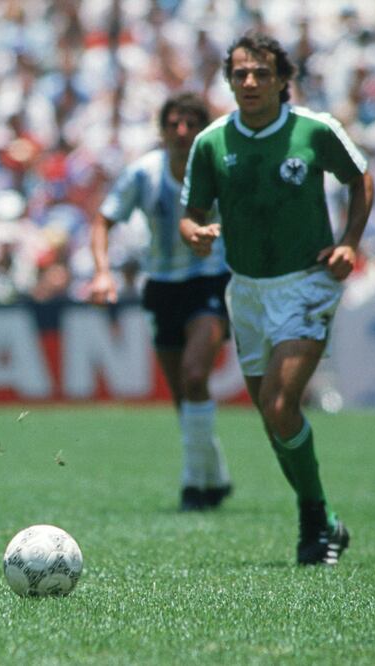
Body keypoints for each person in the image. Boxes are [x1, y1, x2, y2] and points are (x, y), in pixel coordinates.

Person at [179, 33, 374, 565]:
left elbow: (359, 180)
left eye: (260, 73)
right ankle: (326, 520)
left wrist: (349, 243)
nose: (249, 82)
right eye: (240, 73)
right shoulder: (212, 143)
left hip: (306, 283)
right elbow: (191, 212)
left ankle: (313, 522)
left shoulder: (314, 130)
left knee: (281, 405)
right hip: (246, 290)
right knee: (273, 420)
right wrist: (193, 231)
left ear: (281, 80)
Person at [89, 92, 233, 512]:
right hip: (163, 285)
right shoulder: (145, 174)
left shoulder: (219, 170)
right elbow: (103, 219)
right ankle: (216, 475)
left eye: (191, 123)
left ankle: (193, 484)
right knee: (182, 395)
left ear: (204, 130)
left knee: (193, 375)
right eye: (174, 123)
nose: (182, 131)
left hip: (209, 281)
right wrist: (102, 271)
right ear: (163, 129)